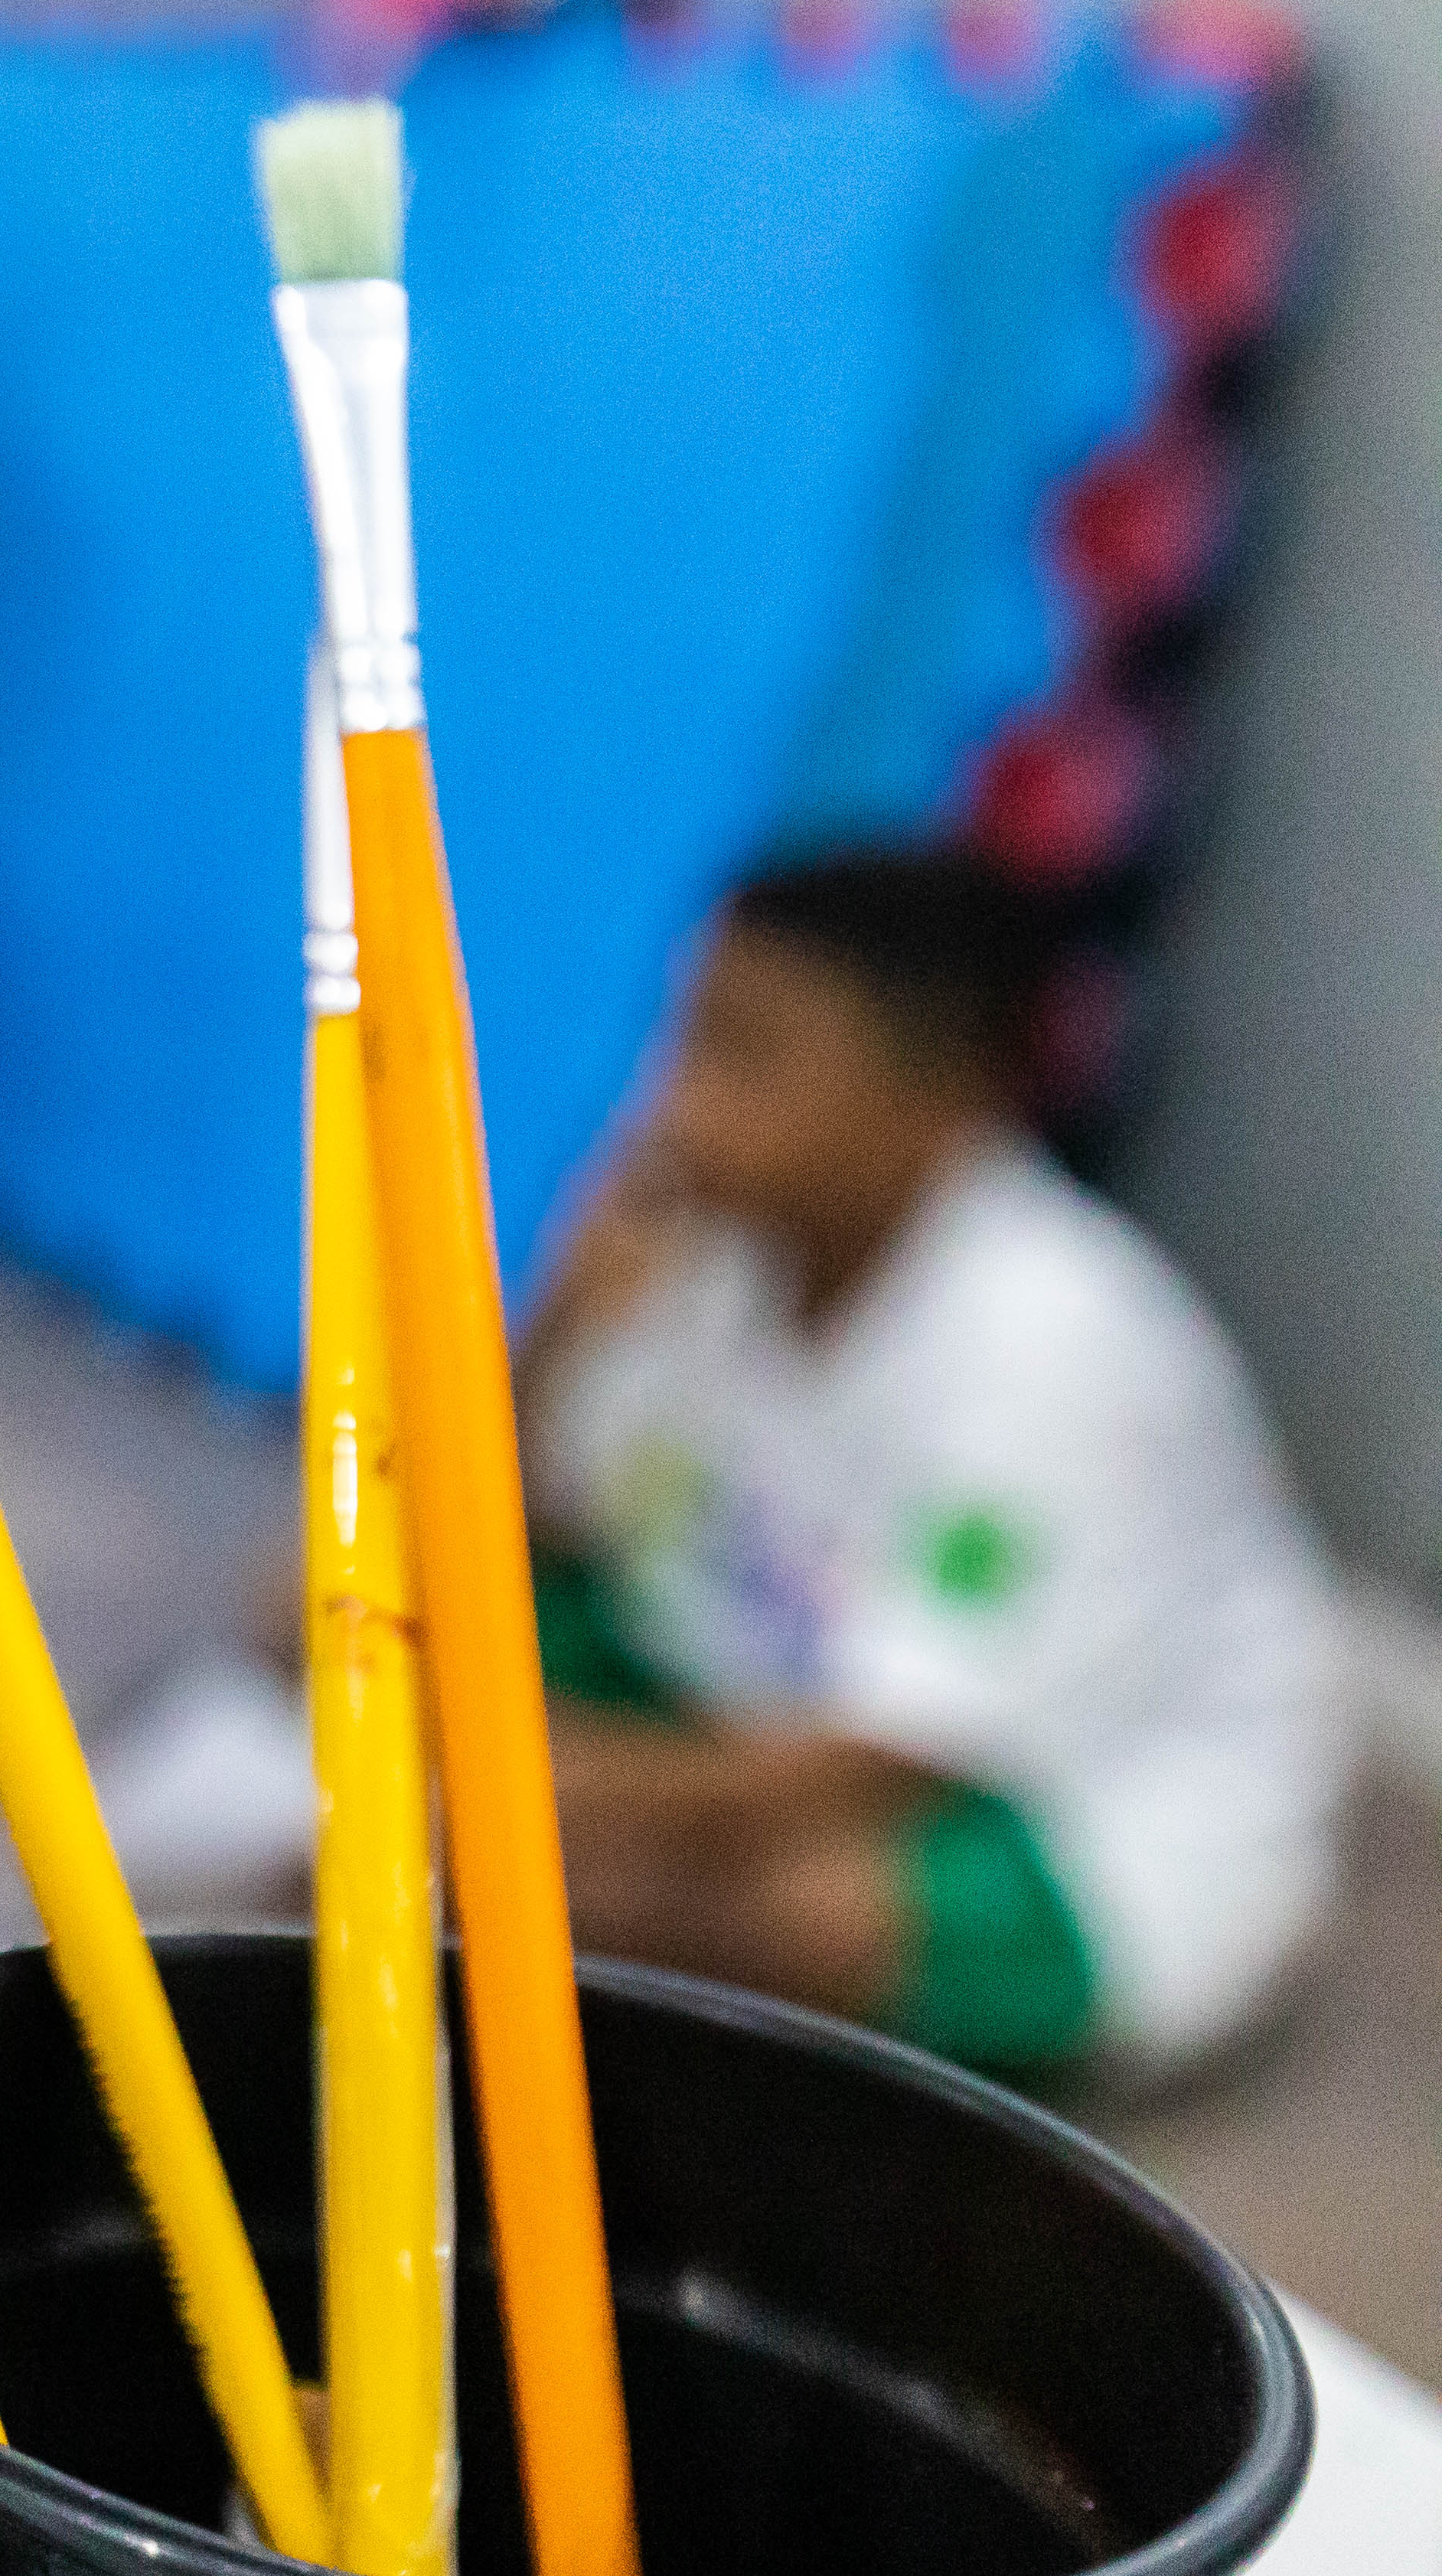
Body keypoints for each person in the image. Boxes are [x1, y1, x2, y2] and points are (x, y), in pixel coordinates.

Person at [526, 847, 1349, 2081]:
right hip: (761, 1677)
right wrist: (555, 1323)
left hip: (1068, 1821)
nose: (676, 1105)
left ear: (942, 1090)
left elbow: (889, 1749)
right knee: (366, 1617)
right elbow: (525, 1518)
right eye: (686, 1037)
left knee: (750, 1905)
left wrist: (540, 1799)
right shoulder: (709, 1246)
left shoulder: (1059, 1342)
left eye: (747, 1056)